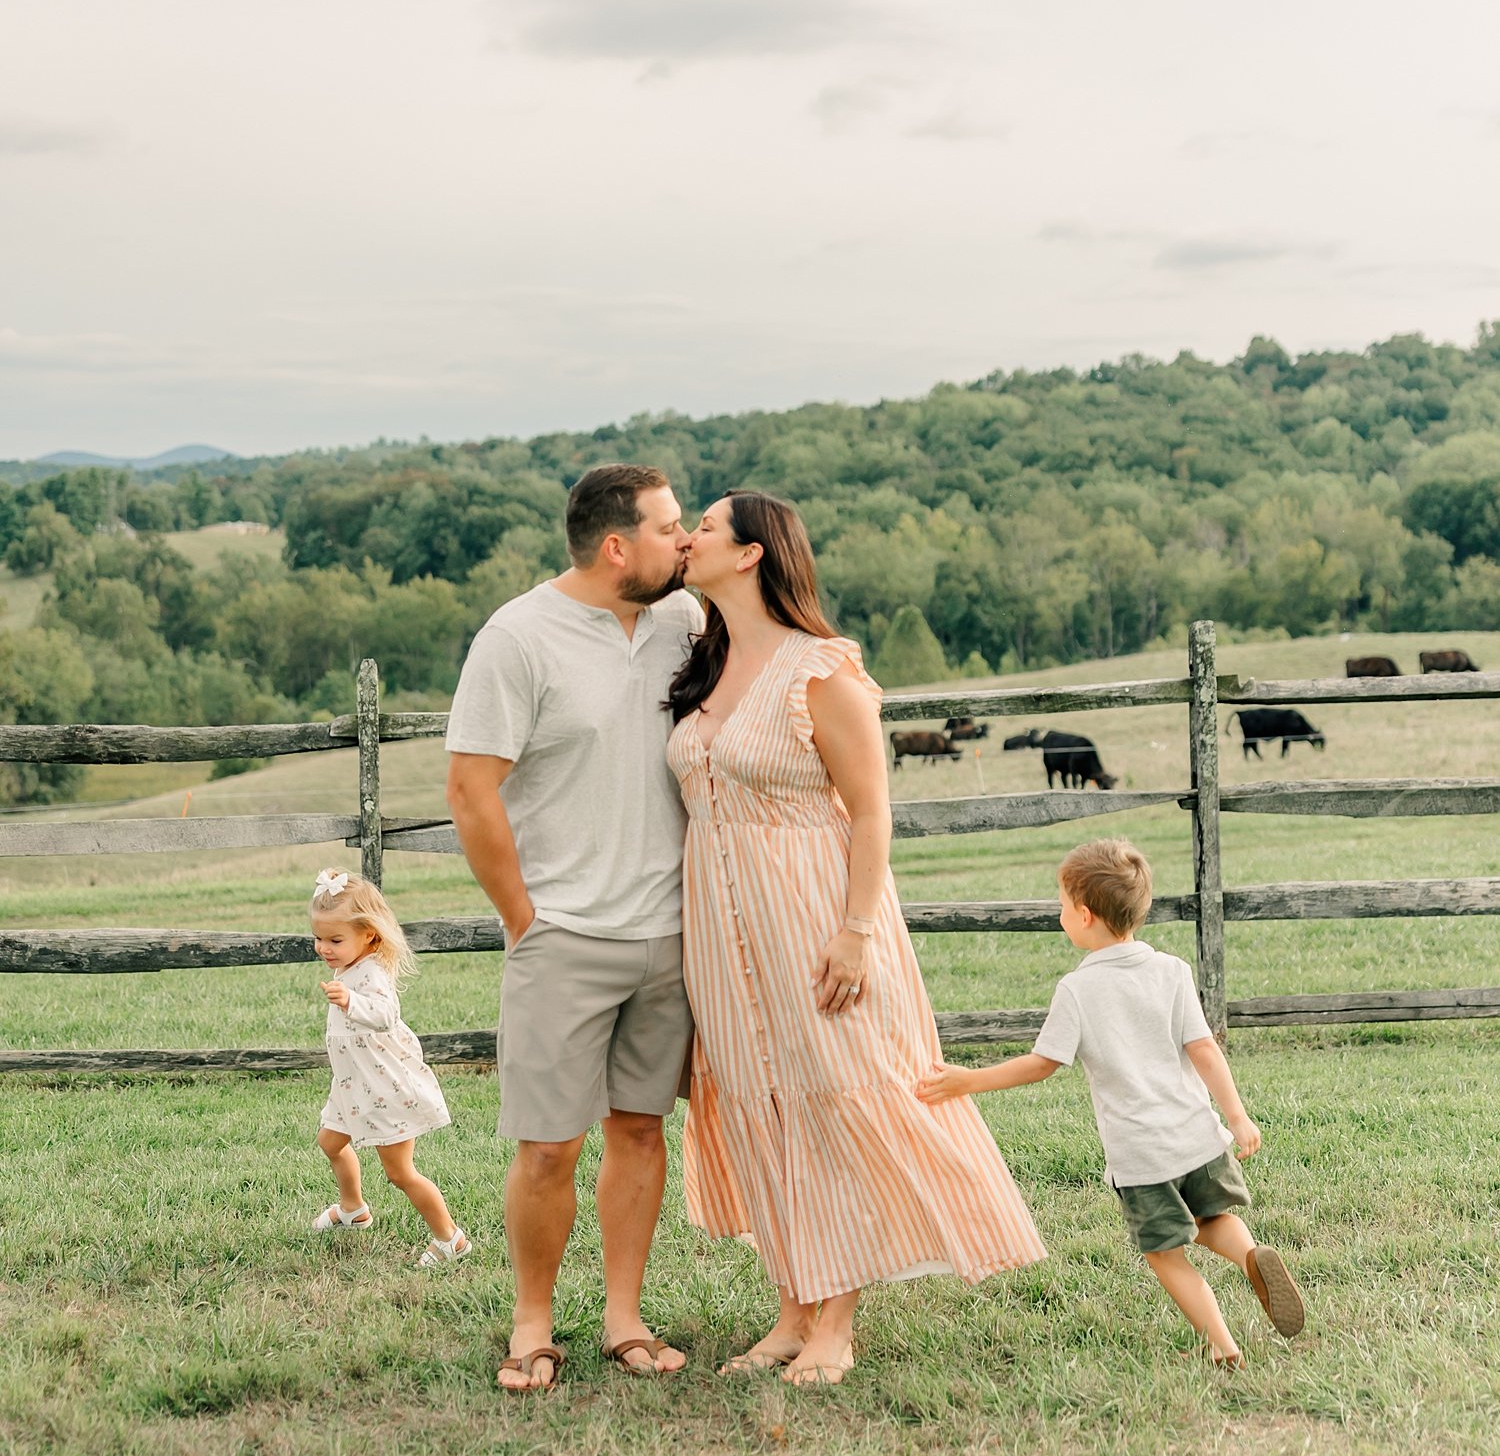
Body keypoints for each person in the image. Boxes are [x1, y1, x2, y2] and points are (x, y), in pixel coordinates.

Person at [667, 489, 1046, 1387]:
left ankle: (837, 1321)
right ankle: (794, 1307)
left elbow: (872, 812)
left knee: (837, 1095)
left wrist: (855, 931)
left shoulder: (822, 671)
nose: (688, 539)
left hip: (813, 916)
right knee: (761, 1102)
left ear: (754, 554)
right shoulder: (701, 665)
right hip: (721, 933)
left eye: (707, 529)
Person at [446, 463, 701, 1394]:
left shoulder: (685, 620)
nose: (686, 540)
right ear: (615, 546)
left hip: (672, 935)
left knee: (641, 1131)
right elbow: (470, 792)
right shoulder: (518, 638)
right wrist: (526, 918)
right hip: (563, 935)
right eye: (671, 527)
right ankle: (532, 1323)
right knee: (550, 1142)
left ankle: (624, 1318)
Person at [919, 837, 1306, 1367]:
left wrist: (968, 1081)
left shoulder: (1077, 991)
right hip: (1197, 1134)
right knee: (1213, 1218)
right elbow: (1205, 1049)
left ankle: (1223, 1344)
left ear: (1083, 915)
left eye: (1060, 906)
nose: (1060, 915)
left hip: (1141, 1155)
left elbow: (1043, 1064)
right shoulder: (1171, 970)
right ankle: (1249, 1255)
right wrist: (1236, 1117)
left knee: (1166, 1253)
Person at [310, 867, 470, 1266]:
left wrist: (350, 1002)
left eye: (334, 939)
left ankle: (450, 1239)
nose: (324, 948)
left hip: (384, 1087)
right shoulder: (348, 966)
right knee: (330, 1142)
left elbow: (385, 1014)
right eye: (318, 938)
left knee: (399, 1173)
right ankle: (353, 1209)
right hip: (352, 1084)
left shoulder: (373, 973)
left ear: (370, 935)